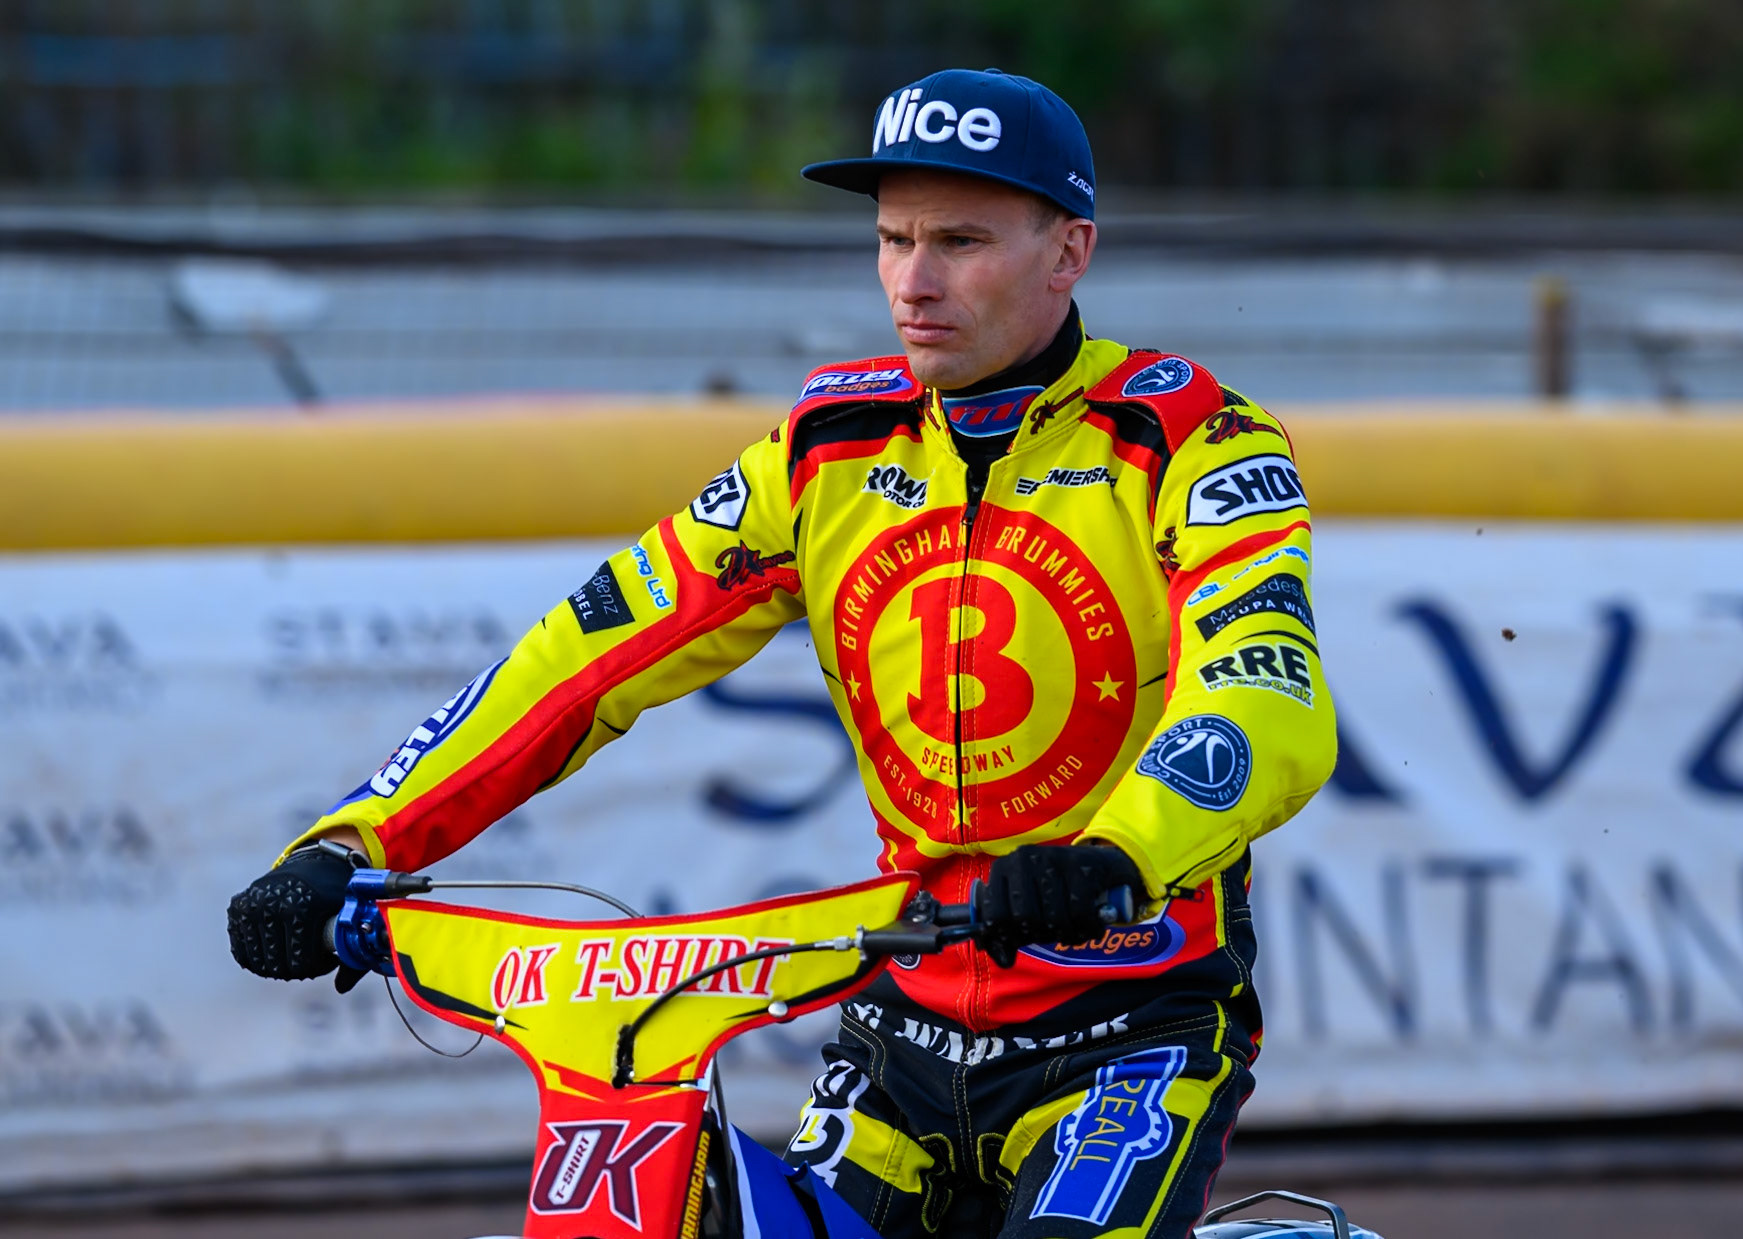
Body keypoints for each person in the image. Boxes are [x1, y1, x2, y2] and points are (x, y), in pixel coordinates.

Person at [227, 68, 1336, 1239]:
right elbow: (587, 653)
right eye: (894, 237)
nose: (914, 281)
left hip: (1131, 1027)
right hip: (895, 1024)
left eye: (962, 240)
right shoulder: (824, 448)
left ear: (1069, 254)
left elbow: (1266, 695)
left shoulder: (1192, 439)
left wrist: (1117, 851)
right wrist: (355, 838)